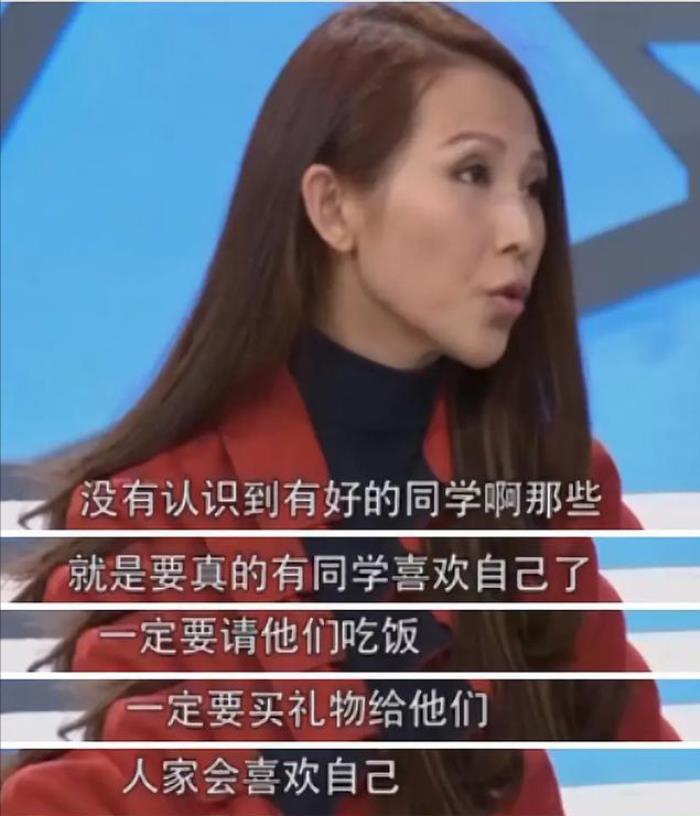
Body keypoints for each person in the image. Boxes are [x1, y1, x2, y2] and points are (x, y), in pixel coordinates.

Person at [0, 3, 678, 815]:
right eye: (473, 174)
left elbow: (644, 773)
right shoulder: (165, 511)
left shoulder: (538, 483)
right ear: (333, 207)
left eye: (531, 188)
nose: (521, 230)